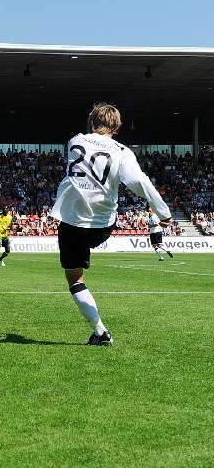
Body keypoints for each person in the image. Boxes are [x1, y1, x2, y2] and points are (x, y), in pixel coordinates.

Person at [50, 103, 172, 346]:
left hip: (73, 221)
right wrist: (163, 212)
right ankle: (98, 333)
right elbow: (139, 182)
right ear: (117, 127)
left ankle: (100, 331)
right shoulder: (122, 151)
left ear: (91, 121)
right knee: (91, 242)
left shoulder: (75, 141)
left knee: (75, 279)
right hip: (104, 224)